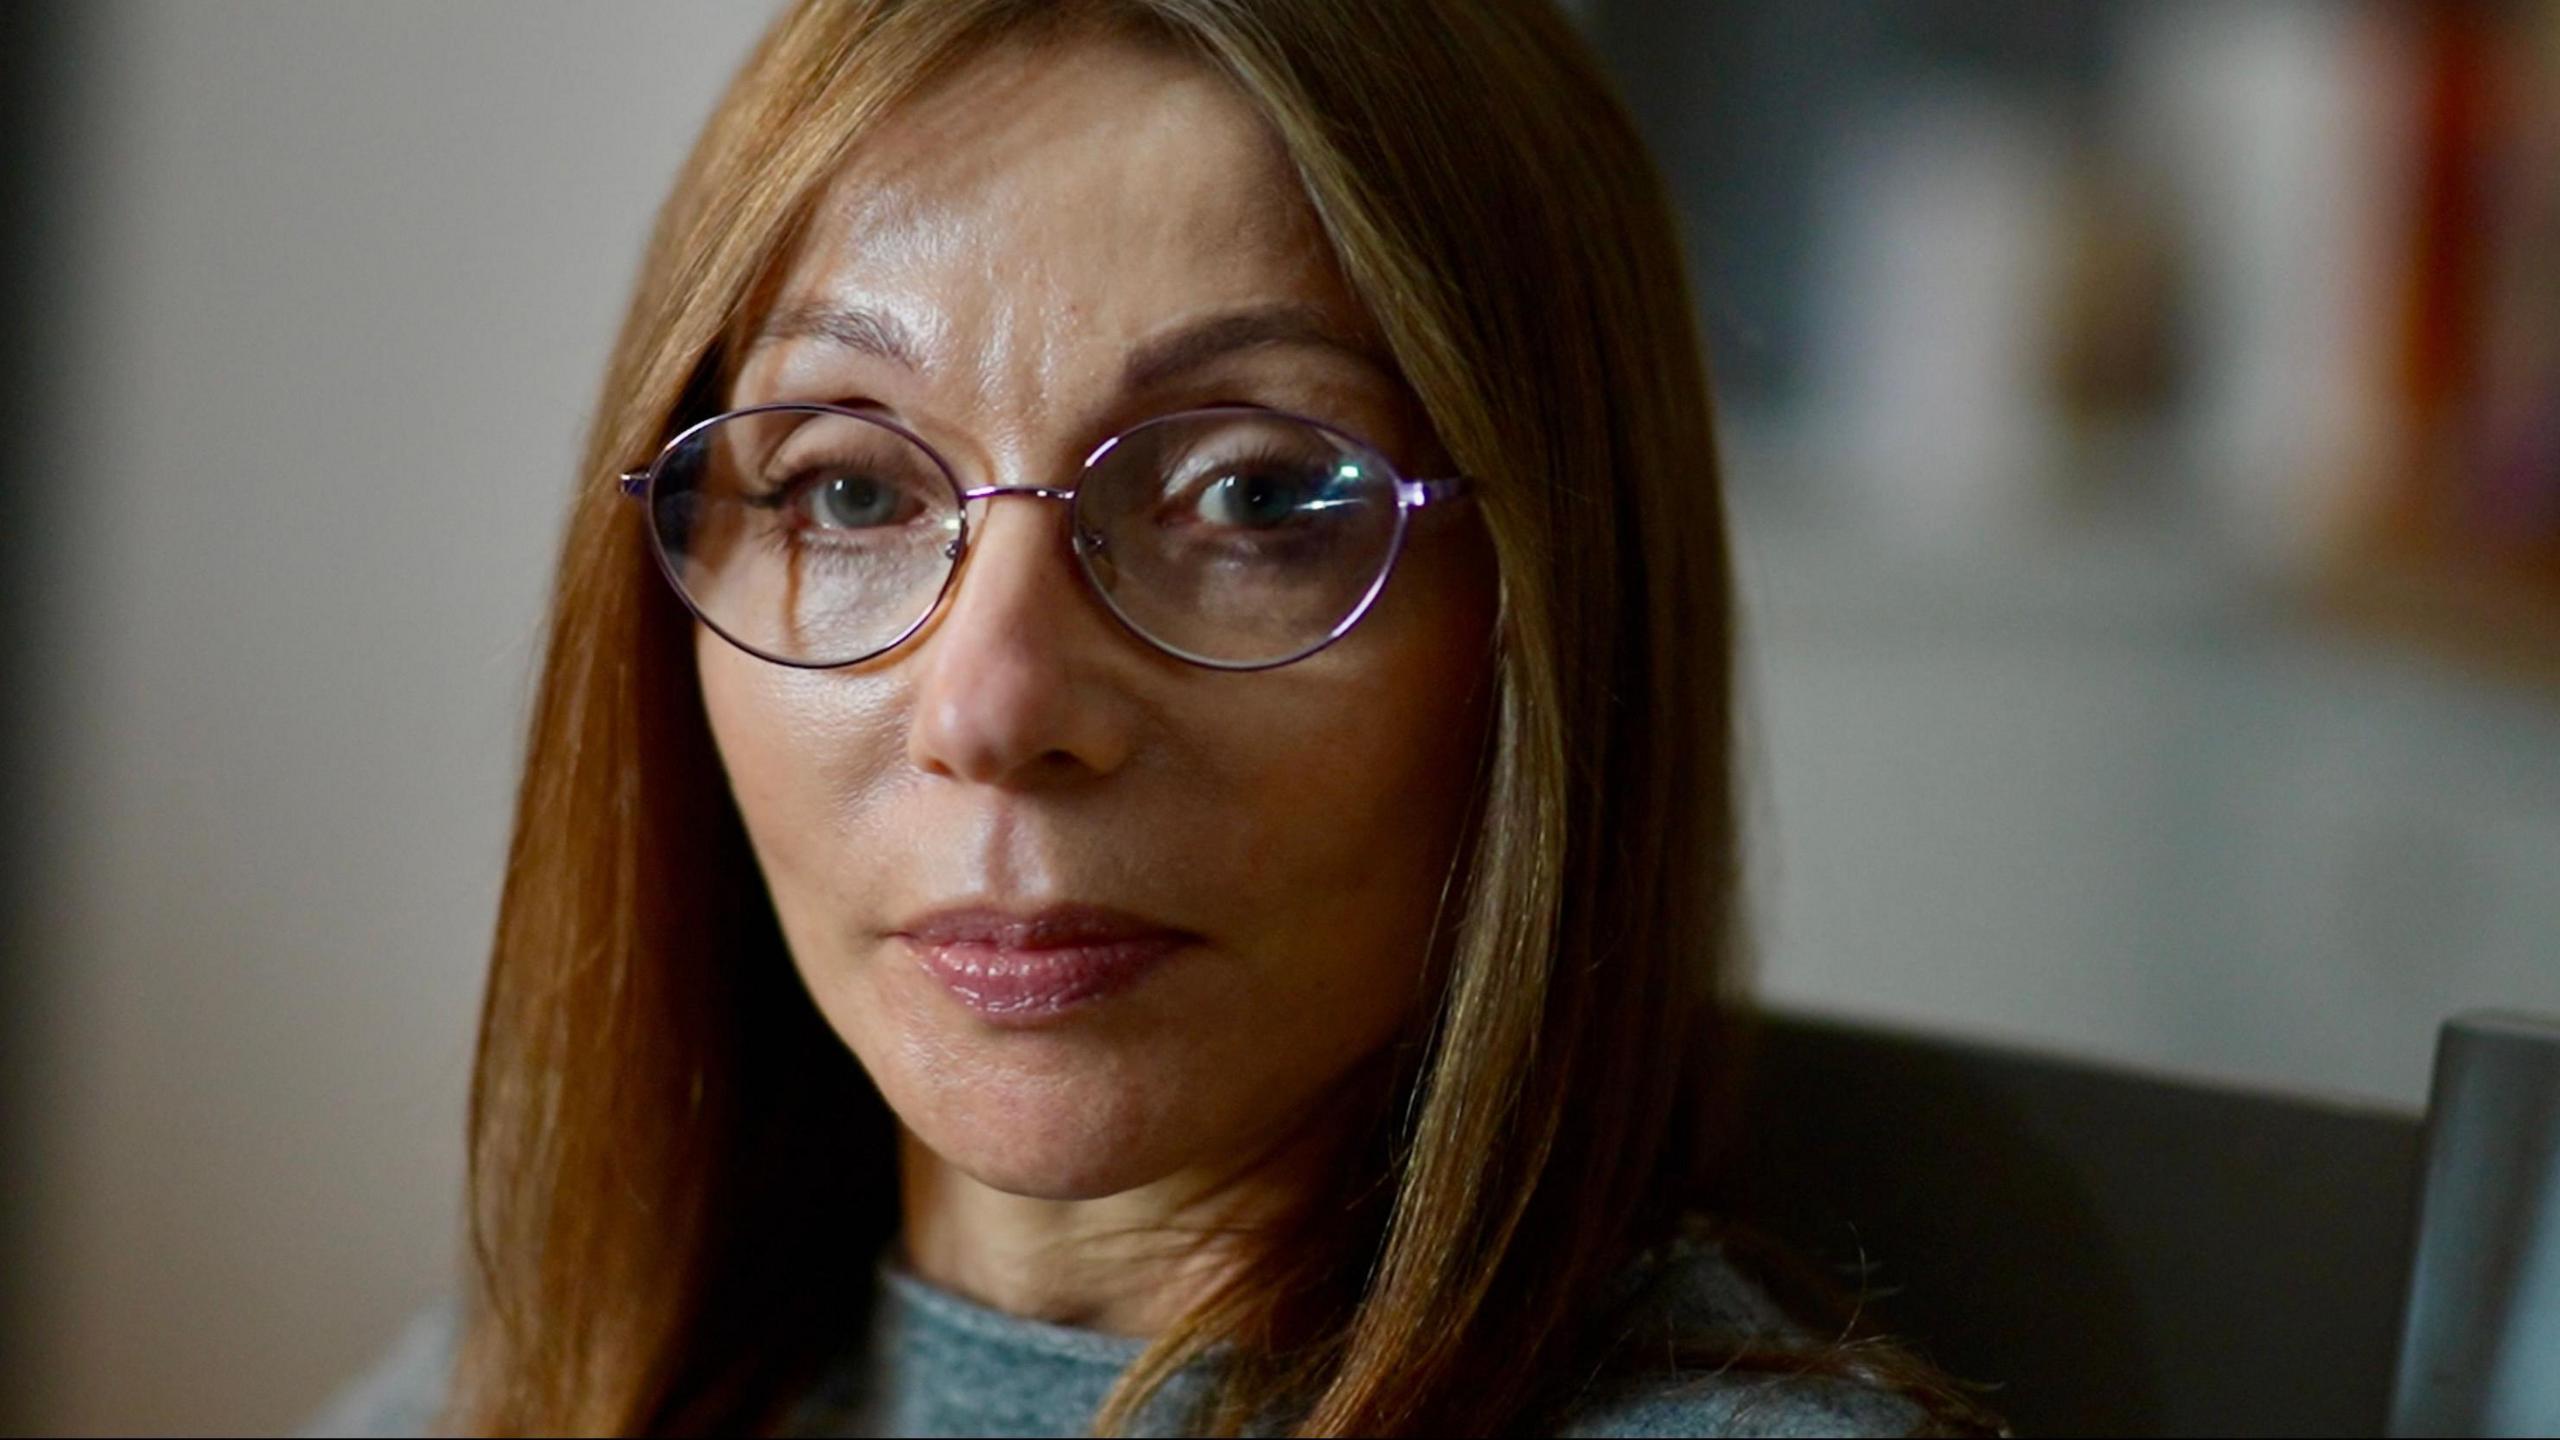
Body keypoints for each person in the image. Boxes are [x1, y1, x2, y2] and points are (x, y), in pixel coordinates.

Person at [310, 0, 2002, 1434]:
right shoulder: (517, 1381)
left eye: (1256, 496)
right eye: (842, 494)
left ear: (1550, 611)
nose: (993, 705)